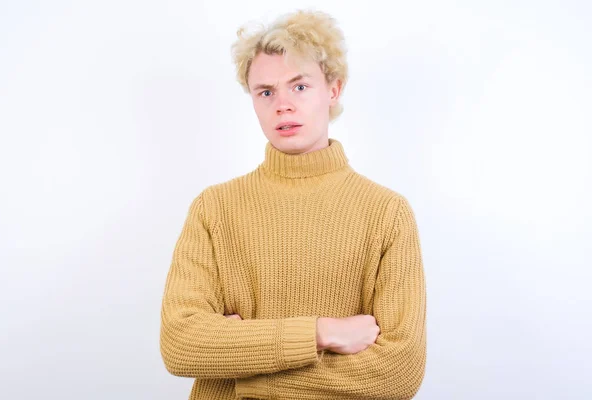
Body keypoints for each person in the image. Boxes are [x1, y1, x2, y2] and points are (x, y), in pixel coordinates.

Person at [160, 8, 427, 399]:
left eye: (299, 86)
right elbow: (180, 344)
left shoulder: (386, 213)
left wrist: (240, 373)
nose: (281, 104)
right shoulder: (214, 208)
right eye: (265, 91)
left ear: (333, 89)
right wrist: (322, 333)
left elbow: (399, 372)